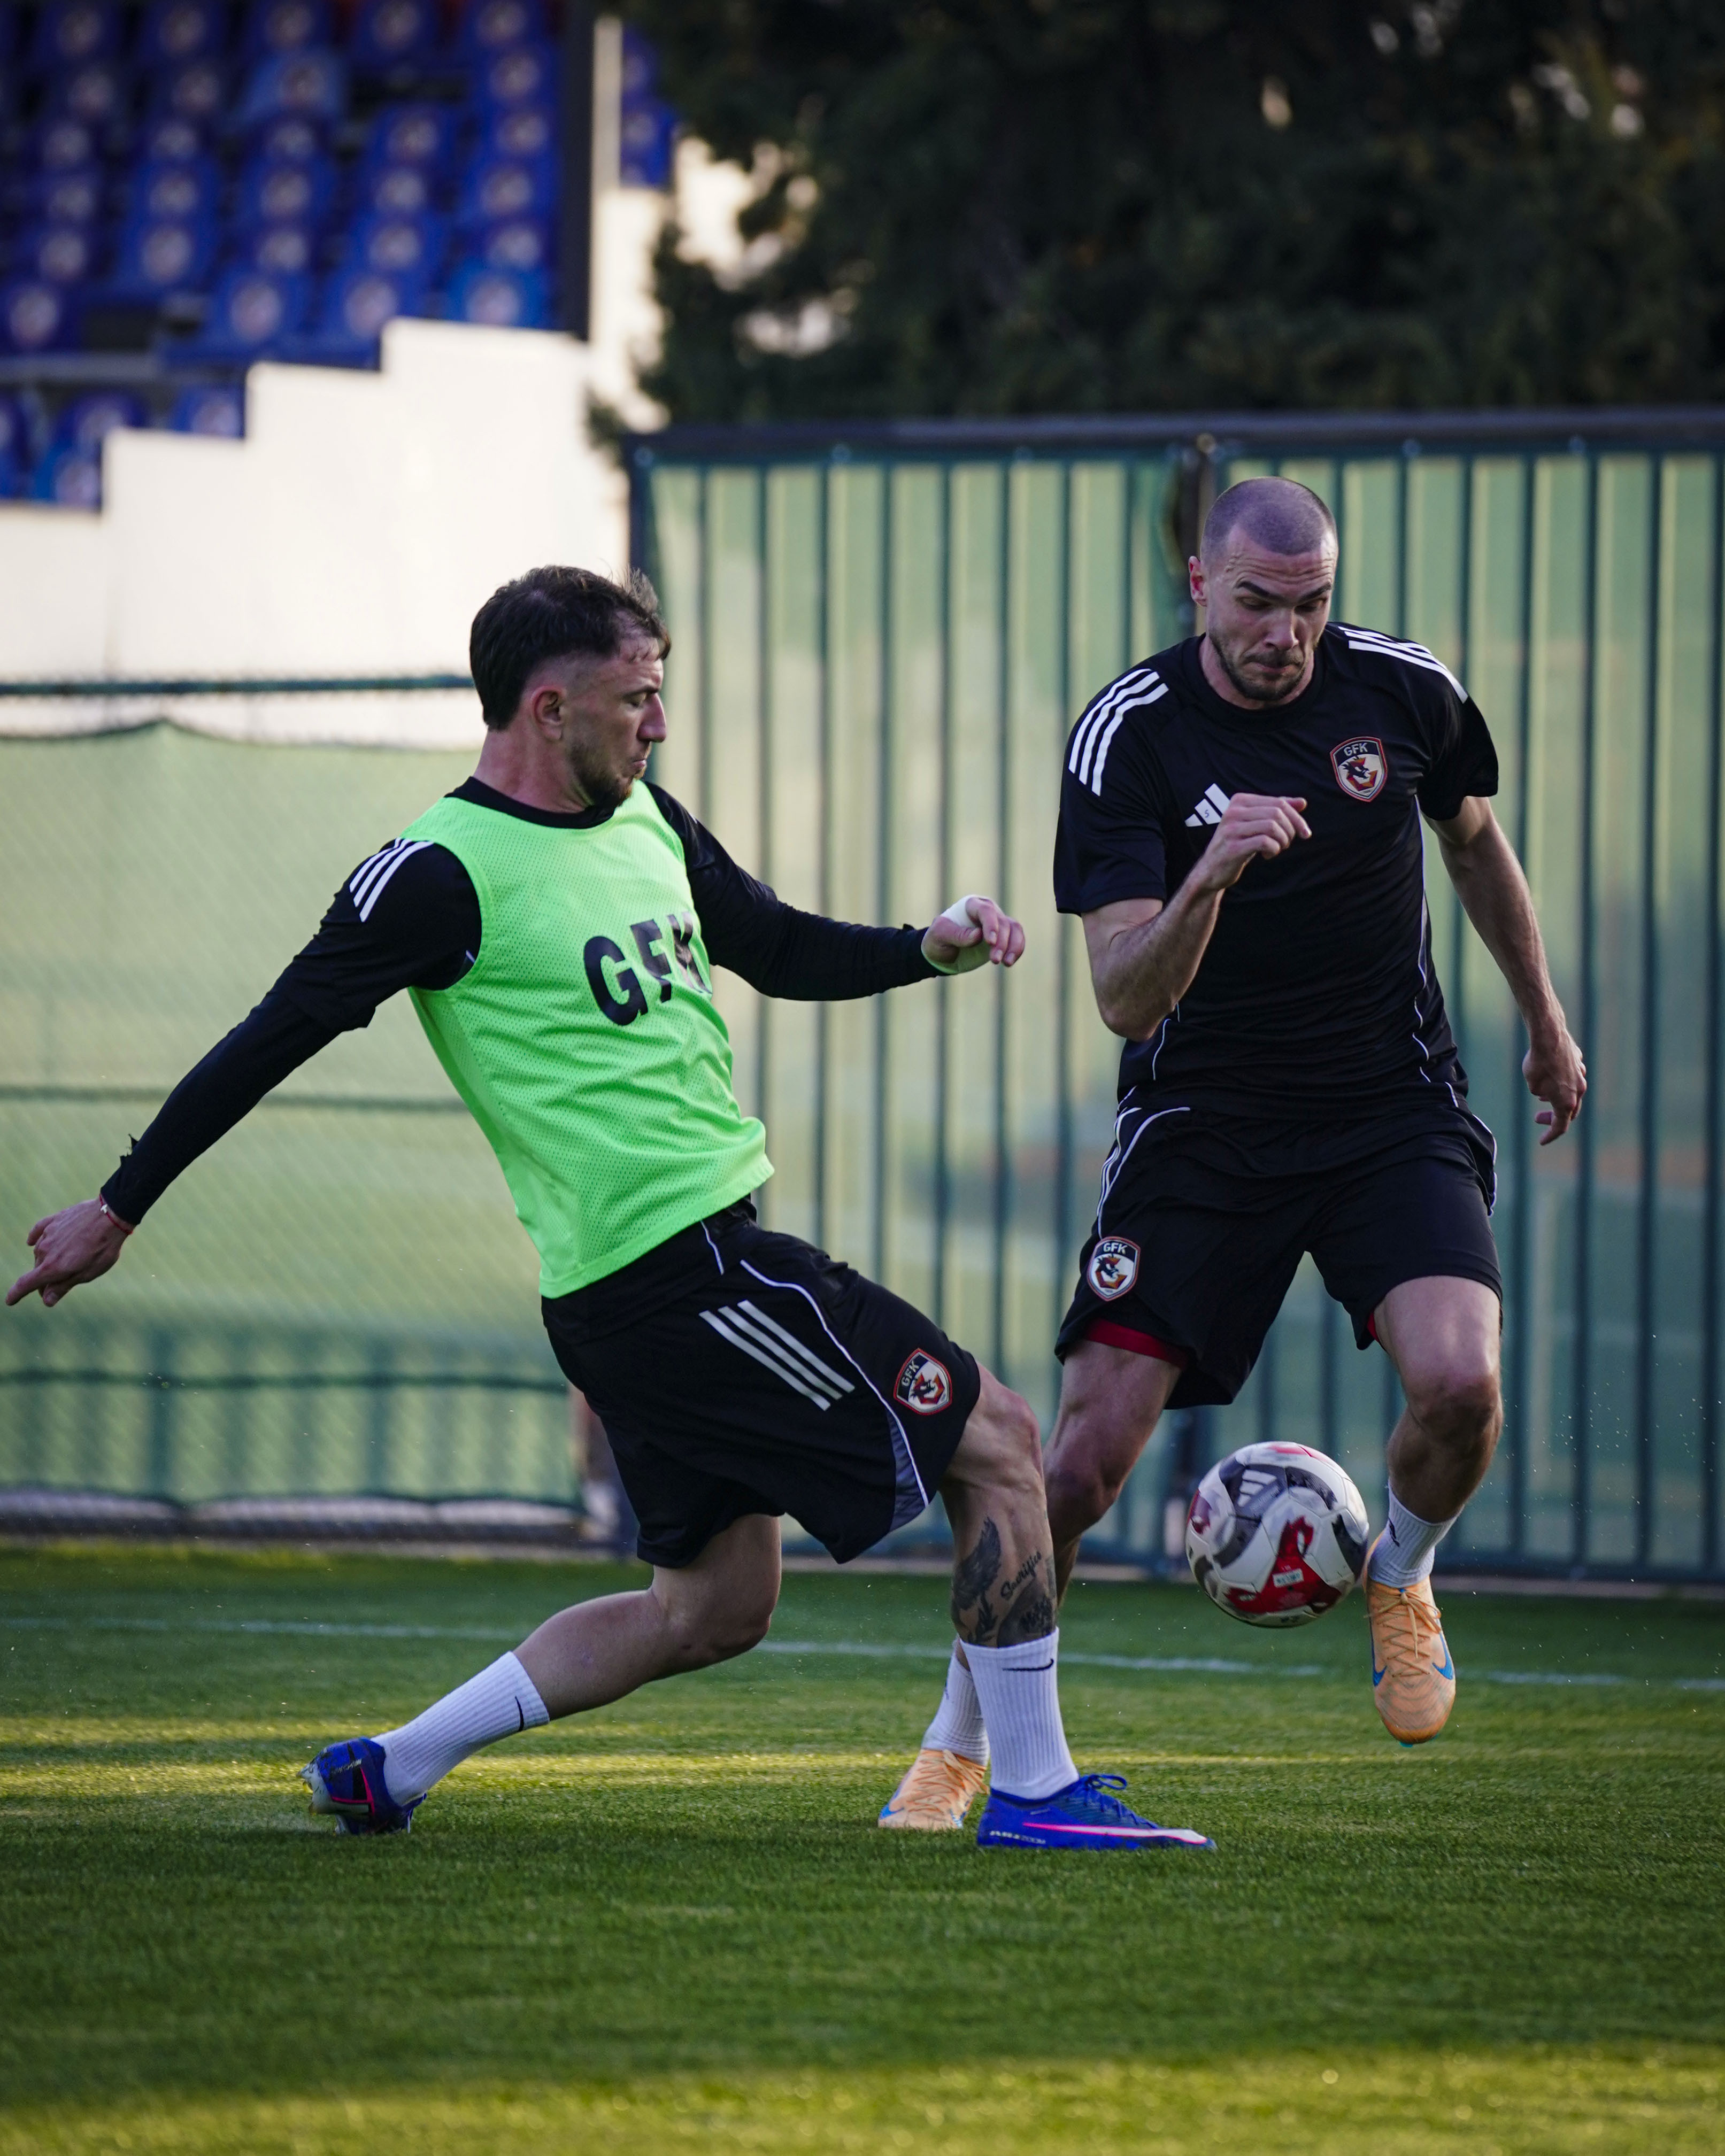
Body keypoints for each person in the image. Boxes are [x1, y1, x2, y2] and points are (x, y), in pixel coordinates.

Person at [7, 565, 1212, 1856]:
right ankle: (1030, 1789)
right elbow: (271, 1035)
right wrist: (118, 1207)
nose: (658, 721)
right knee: (1002, 1437)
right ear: (548, 707)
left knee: (711, 1608)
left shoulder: (645, 818)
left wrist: (924, 945)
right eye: (636, 697)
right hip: (681, 1274)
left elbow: (772, 942)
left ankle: (392, 1767)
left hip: (651, 1291)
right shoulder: (436, 874)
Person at [879, 477, 1585, 1830]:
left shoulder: (1403, 691)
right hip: (1201, 1124)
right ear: (1200, 583)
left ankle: (1400, 1571)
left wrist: (1545, 1024)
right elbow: (1122, 997)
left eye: (1310, 603)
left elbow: (1475, 845)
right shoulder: (1129, 734)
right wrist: (1209, 870)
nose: (1286, 632)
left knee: (1461, 1386)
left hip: (1387, 1107)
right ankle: (962, 1741)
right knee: (1071, 1472)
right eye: (1258, 602)